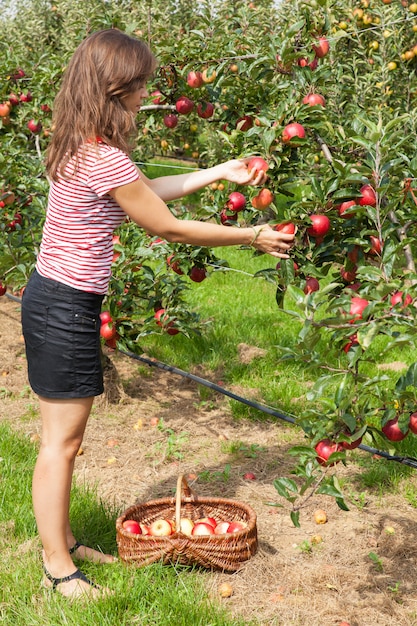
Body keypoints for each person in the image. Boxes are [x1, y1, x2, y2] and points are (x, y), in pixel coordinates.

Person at [21, 28, 295, 600]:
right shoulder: (101, 157)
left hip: (56, 297)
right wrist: (252, 235)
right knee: (61, 443)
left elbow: (147, 188)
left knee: (61, 439)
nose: (145, 96)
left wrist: (219, 170)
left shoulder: (84, 143)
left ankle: (62, 540)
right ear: (113, 87)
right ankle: (58, 568)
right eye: (139, 85)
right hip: (63, 307)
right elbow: (163, 223)